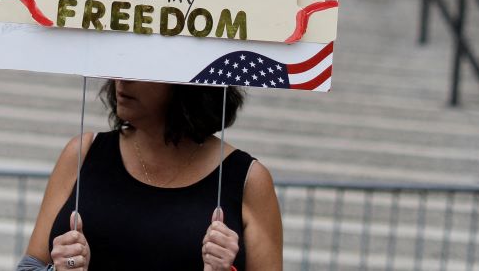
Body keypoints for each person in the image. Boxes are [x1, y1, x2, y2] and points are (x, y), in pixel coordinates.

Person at [17, 80, 282, 270]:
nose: (123, 79)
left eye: (141, 67)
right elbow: (30, 266)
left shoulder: (248, 178)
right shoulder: (83, 153)